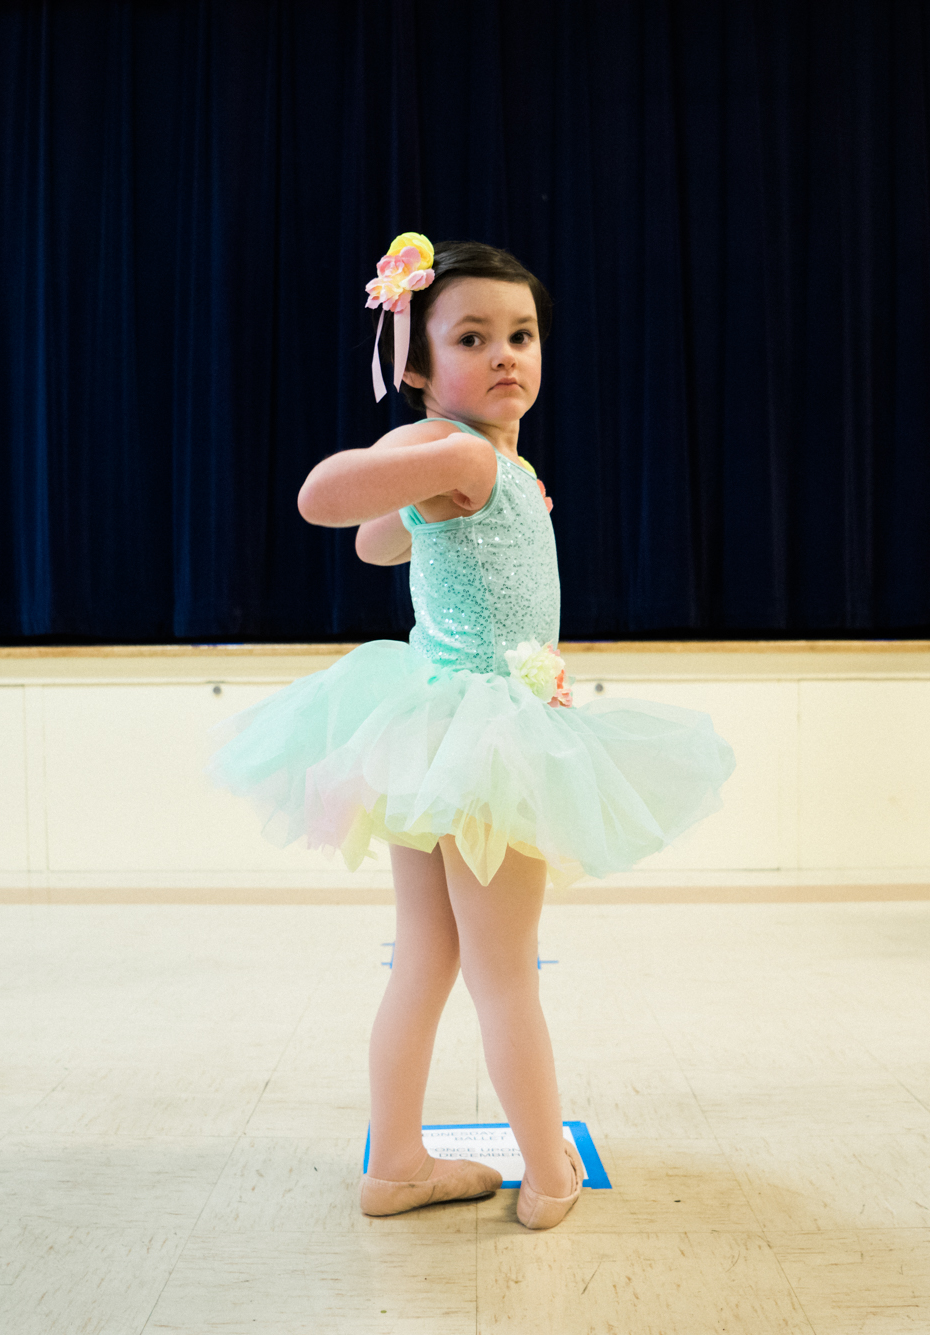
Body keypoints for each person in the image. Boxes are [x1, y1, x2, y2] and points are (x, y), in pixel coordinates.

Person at [208, 236, 734, 1228]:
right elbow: (325, 501)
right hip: (482, 743)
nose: (506, 355)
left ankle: (397, 1164)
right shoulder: (458, 452)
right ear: (415, 366)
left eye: (521, 335)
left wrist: (420, 484)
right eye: (471, 337)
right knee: (504, 975)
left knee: (425, 960)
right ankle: (545, 1179)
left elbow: (377, 541)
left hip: (435, 735)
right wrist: (419, 451)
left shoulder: (490, 461)